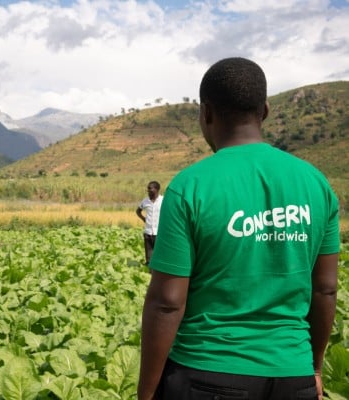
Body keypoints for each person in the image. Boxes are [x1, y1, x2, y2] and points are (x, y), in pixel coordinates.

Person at [138, 58, 340, 400]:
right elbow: (325, 290)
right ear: (264, 111)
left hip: (206, 373)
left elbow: (167, 303)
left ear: (206, 113)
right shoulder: (316, 184)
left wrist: (145, 394)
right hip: (294, 374)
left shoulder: (190, 186)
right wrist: (315, 368)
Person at [136, 181, 163, 265]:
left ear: (157, 189)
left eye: (150, 189)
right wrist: (144, 219)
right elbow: (138, 211)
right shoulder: (145, 201)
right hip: (148, 232)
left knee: (160, 254)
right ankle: (148, 271)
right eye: (147, 189)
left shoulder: (163, 200)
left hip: (159, 232)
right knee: (148, 256)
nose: (148, 191)